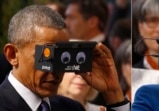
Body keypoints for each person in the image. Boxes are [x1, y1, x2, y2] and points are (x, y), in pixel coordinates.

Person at [0, 5, 130, 111]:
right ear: (12, 54)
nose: (55, 70)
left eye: (63, 57)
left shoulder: (71, 108)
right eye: (46, 57)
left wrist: (113, 93)